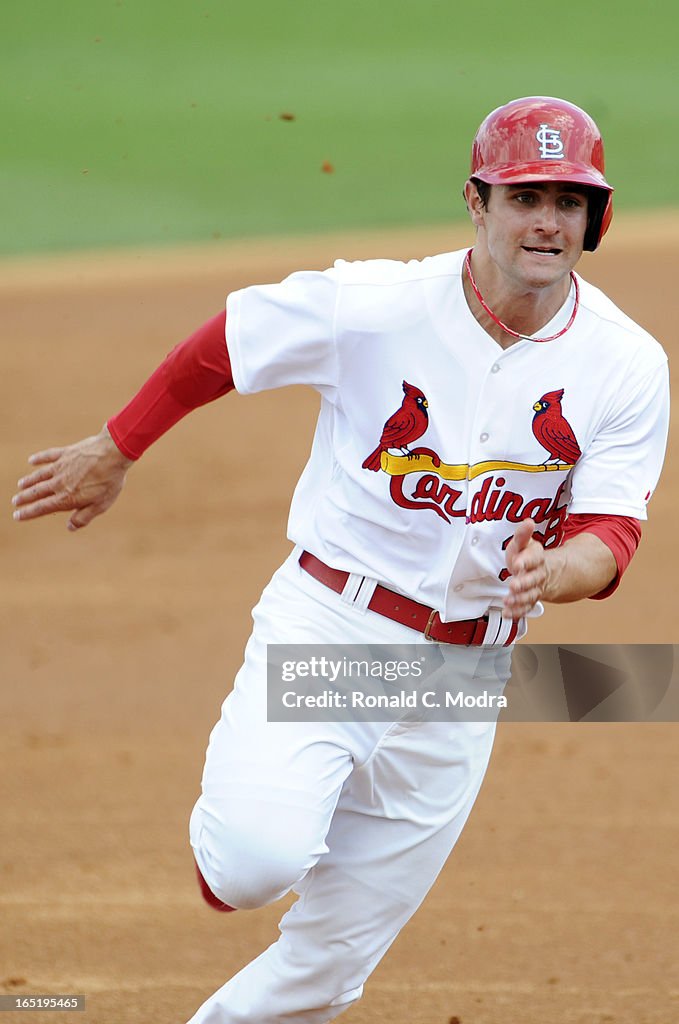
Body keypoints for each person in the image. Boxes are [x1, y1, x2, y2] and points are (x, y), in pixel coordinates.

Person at [12, 96, 669, 1023]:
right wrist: (119, 445)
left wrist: (552, 573)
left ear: (594, 220)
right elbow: (226, 345)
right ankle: (238, 840)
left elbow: (611, 534)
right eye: (526, 197)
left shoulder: (626, 364)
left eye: (569, 202)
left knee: (326, 971)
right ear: (476, 204)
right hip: (338, 626)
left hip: (465, 675)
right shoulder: (373, 305)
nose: (547, 222)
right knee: (255, 865)